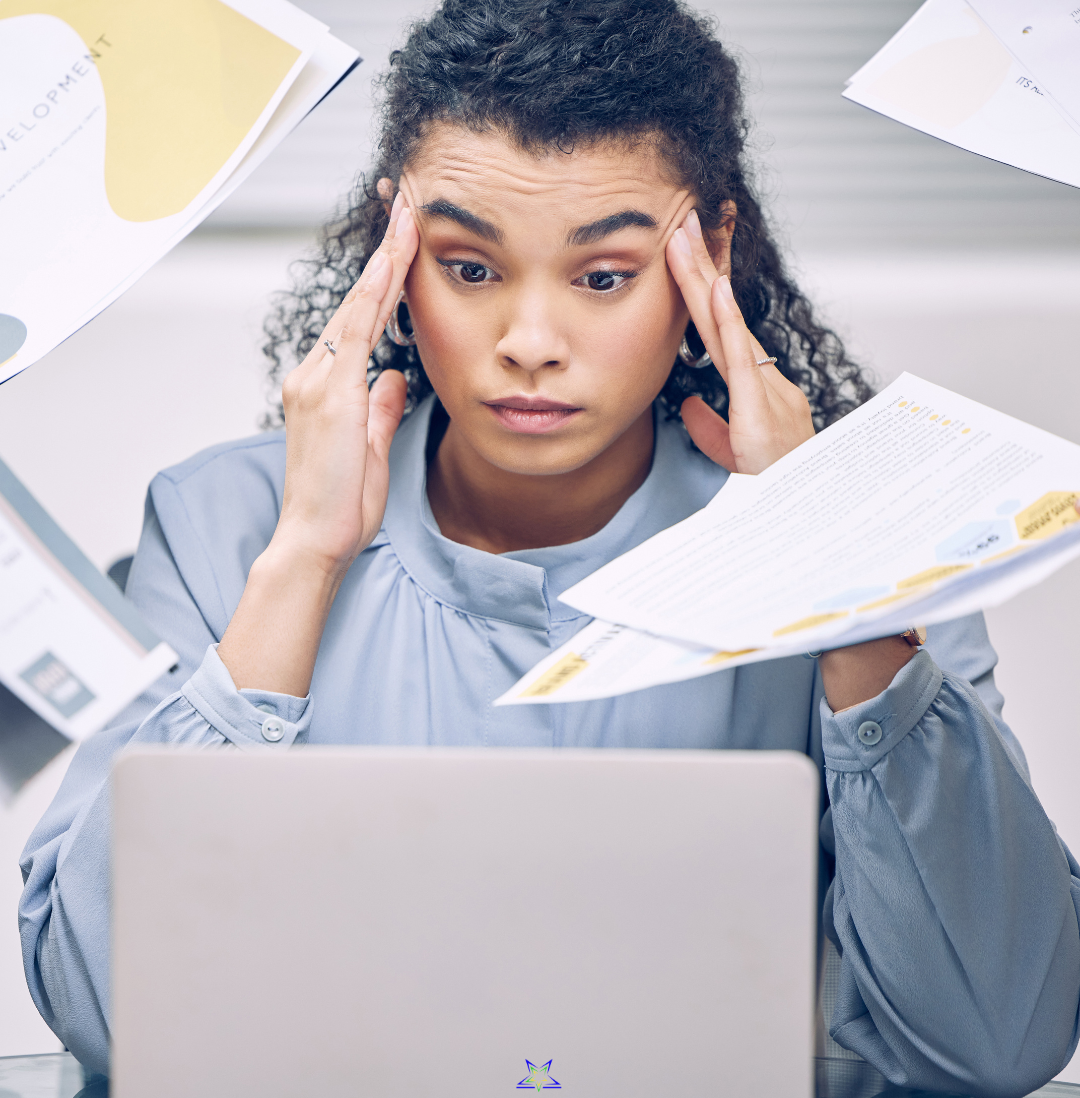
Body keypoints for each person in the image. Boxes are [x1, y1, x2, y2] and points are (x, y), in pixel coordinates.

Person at [19, 0, 1080, 1090]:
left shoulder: (878, 545)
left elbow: (996, 1041)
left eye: (603, 277)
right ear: (395, 251)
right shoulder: (223, 526)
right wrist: (302, 560)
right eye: (469, 268)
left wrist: (827, 568)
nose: (530, 345)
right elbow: (109, 1015)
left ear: (707, 252)